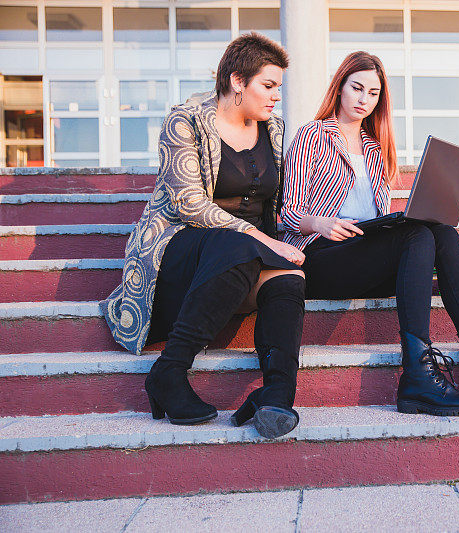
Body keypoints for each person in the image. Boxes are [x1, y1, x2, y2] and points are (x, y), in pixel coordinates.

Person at [282, 51, 459, 416]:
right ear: (339, 87)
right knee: (417, 236)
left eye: (373, 93)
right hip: (322, 254)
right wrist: (321, 222)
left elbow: (376, 214)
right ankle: (418, 374)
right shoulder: (313, 134)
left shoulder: (375, 148)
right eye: (356, 88)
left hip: (363, 251)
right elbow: (287, 213)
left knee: (441, 231)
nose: (363, 99)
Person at [102, 33, 306, 439]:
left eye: (278, 88)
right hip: (179, 251)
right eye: (267, 86)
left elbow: (282, 203)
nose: (275, 97)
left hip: (239, 261)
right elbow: (188, 204)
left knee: (289, 278)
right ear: (236, 81)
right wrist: (261, 240)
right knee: (241, 244)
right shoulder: (185, 121)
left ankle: (277, 396)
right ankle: (168, 373)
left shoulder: (274, 131)